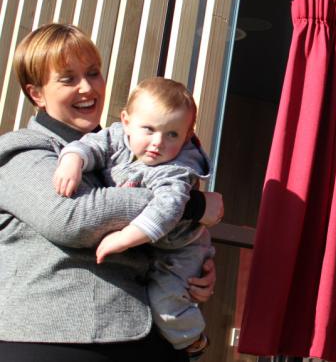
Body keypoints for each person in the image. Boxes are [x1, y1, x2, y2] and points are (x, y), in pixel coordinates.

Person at [0, 23, 222, 362]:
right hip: (54, 337)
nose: (87, 87)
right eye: (68, 79)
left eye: (93, 73)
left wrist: (191, 269)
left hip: (140, 331)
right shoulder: (21, 150)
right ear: (37, 94)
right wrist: (192, 205)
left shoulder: (131, 149)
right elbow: (72, 217)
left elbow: (160, 235)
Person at [53, 77, 215, 358]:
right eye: (149, 129)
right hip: (149, 248)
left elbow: (167, 209)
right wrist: (72, 160)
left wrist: (124, 238)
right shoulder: (116, 137)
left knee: (166, 304)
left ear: (187, 136)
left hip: (181, 247)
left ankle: (193, 340)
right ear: (126, 121)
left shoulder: (175, 168)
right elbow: (90, 146)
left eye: (172, 134)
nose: (158, 143)